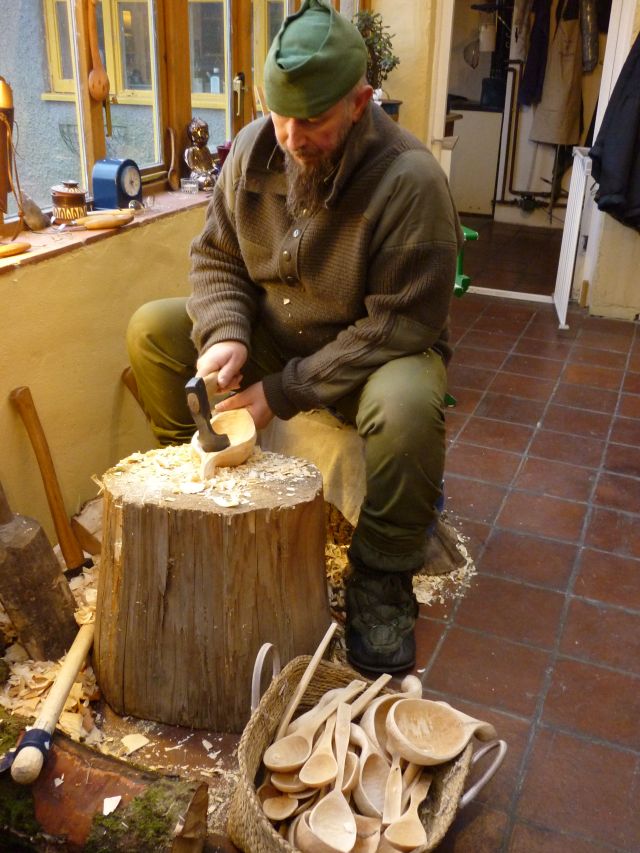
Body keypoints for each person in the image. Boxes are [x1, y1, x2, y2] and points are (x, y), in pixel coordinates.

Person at [127, 0, 462, 674]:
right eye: (280, 113)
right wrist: (225, 333)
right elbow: (217, 256)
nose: (291, 135)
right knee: (155, 331)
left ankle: (381, 577)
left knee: (408, 407)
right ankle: (202, 498)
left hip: (372, 349)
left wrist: (277, 393)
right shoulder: (257, 149)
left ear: (361, 101)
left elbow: (398, 324)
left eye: (313, 119)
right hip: (279, 331)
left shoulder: (410, 181)